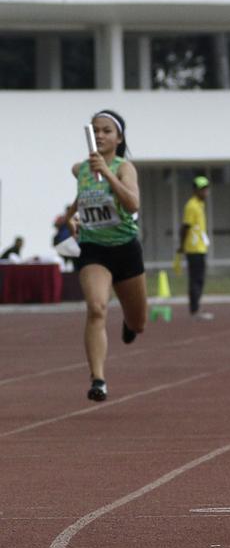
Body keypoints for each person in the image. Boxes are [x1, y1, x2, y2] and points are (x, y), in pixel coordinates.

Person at [66, 109, 147, 401]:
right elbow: (81, 202)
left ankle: (129, 323)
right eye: (95, 130)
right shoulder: (80, 170)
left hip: (125, 249)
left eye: (106, 131)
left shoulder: (125, 168)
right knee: (97, 307)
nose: (100, 135)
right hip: (93, 249)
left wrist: (108, 171)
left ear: (119, 137)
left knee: (139, 322)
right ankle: (97, 379)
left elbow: (133, 204)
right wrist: (71, 217)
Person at [179, 176, 213, 320]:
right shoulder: (192, 206)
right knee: (196, 279)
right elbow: (185, 227)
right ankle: (195, 310)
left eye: (206, 189)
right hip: (194, 248)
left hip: (200, 247)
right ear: (195, 190)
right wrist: (181, 246)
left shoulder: (199, 205)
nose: (206, 192)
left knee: (199, 279)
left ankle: (196, 307)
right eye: (202, 189)